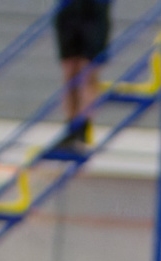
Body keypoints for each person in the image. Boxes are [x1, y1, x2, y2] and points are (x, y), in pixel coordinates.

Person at [53, 0, 111, 153]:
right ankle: (71, 128)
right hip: (70, 9)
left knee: (88, 72)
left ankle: (82, 129)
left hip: (94, 9)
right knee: (70, 71)